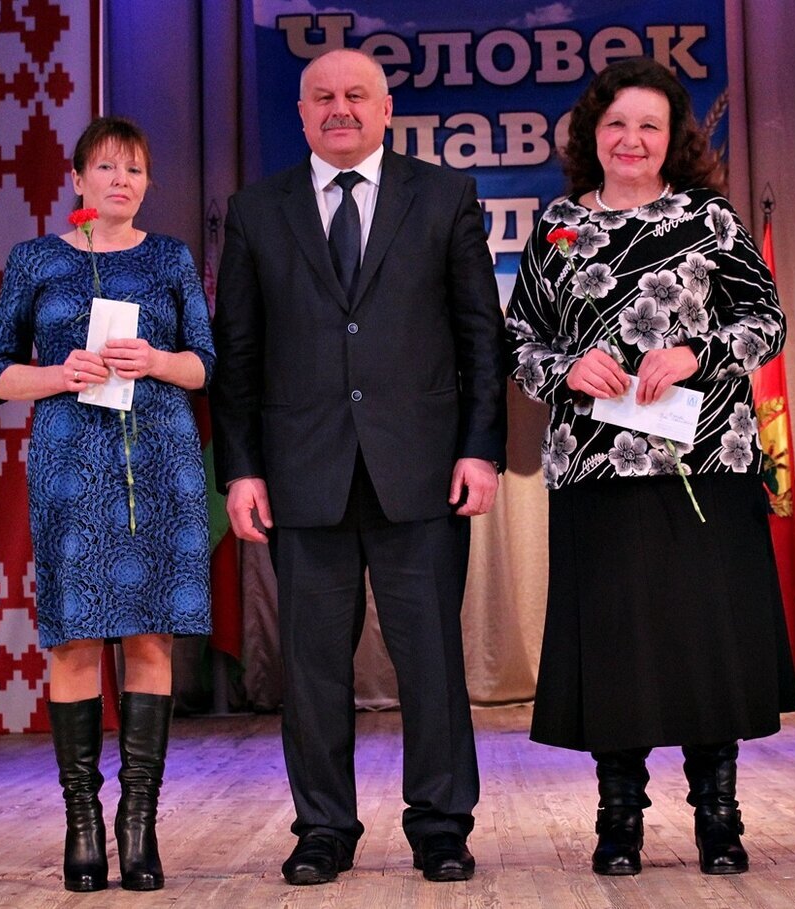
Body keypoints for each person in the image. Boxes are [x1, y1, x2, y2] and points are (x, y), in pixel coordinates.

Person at [211, 49, 505, 886]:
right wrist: (241, 468)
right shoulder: (257, 209)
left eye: (355, 94)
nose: (339, 108)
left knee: (432, 662)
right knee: (310, 668)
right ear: (302, 113)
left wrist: (480, 448)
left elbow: (481, 335)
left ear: (386, 108)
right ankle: (323, 828)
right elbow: (238, 351)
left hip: (423, 471)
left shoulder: (444, 195)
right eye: (323, 97)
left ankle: (441, 826)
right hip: (301, 475)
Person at [505, 57, 795, 877]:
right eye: (616, 124)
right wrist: (565, 367)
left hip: (706, 461)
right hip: (595, 469)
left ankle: (718, 814)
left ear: (674, 139)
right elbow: (518, 342)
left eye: (649, 125)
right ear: (591, 135)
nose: (631, 139)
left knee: (708, 637)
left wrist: (697, 352)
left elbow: (767, 321)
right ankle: (619, 817)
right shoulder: (559, 226)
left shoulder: (710, 218)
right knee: (615, 643)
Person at [0, 116, 215, 892]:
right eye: (108, 167)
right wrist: (60, 373)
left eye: (136, 169)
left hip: (159, 464)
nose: (122, 180)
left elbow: (204, 365)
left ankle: (138, 823)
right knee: (75, 638)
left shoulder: (170, 257)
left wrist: (155, 359)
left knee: (151, 634)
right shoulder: (36, 259)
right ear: (78, 179)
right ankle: (82, 820)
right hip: (70, 466)